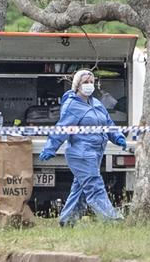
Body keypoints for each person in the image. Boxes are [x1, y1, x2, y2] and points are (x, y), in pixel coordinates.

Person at [38, 69, 126, 226]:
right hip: (80, 153)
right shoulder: (72, 105)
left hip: (95, 152)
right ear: (77, 85)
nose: (89, 85)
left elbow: (108, 124)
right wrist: (50, 148)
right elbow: (62, 128)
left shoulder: (97, 104)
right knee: (94, 185)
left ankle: (67, 220)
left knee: (79, 188)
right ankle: (111, 219)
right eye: (85, 82)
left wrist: (118, 137)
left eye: (91, 82)